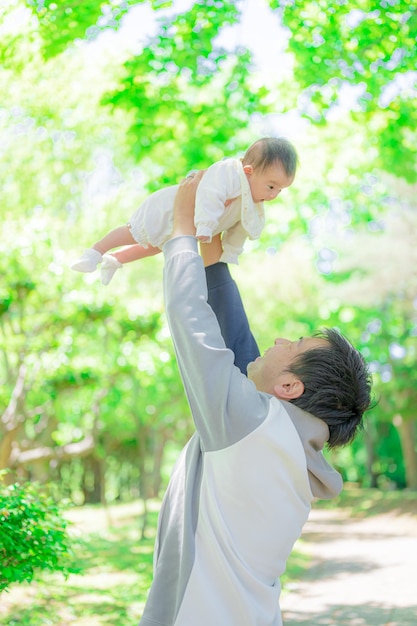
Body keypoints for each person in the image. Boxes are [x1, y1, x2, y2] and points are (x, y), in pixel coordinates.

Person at [137, 171, 373, 626]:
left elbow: (196, 330)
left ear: (290, 388)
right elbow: (241, 351)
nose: (282, 338)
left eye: (296, 343)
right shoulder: (283, 439)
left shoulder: (256, 426)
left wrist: (182, 233)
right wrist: (213, 256)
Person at [70, 137, 297, 284]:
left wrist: (231, 252)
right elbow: (211, 193)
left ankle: (116, 259)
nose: (273, 194)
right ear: (249, 171)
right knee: (133, 232)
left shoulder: (252, 204)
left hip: (185, 228)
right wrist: (207, 225)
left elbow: (239, 231)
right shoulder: (229, 174)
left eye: (280, 190)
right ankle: (95, 251)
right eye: (271, 186)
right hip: (170, 208)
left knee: (153, 248)